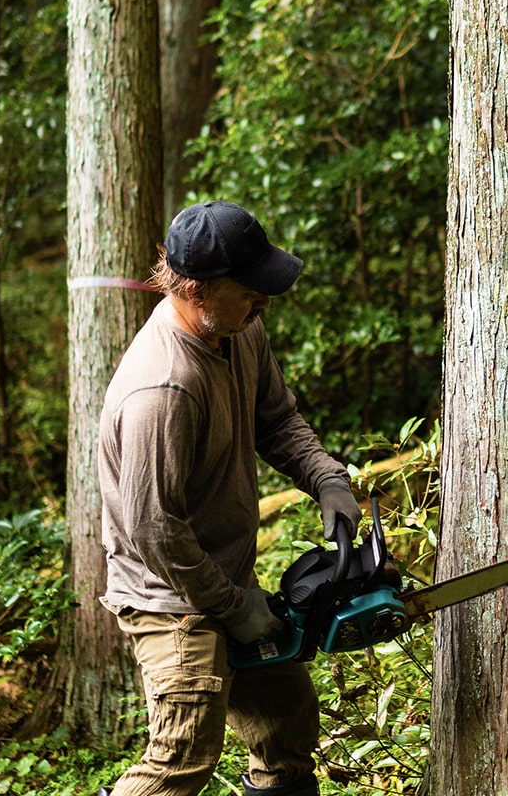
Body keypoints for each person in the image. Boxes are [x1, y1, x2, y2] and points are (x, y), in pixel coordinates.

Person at [96, 200, 362, 796]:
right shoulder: (163, 387)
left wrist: (325, 477)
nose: (264, 300)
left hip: (221, 577)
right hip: (170, 596)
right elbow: (153, 529)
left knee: (285, 718)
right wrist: (233, 607)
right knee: (182, 756)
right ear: (196, 288)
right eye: (250, 290)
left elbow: (277, 421)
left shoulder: (239, 329)